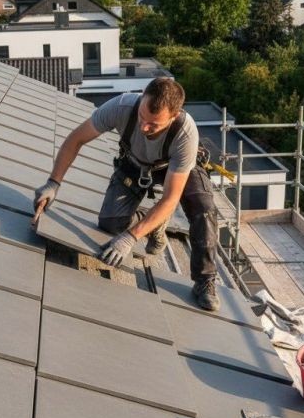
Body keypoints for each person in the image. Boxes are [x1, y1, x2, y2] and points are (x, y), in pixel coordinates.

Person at [33, 78, 221, 312]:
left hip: (173, 168)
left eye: (153, 125)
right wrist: (53, 183)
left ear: (173, 116)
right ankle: (152, 222)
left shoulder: (185, 133)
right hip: (135, 164)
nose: (144, 127)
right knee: (110, 223)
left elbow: (171, 199)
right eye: (142, 117)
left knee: (204, 207)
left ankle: (205, 281)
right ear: (142, 97)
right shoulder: (121, 107)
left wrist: (131, 238)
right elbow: (76, 139)